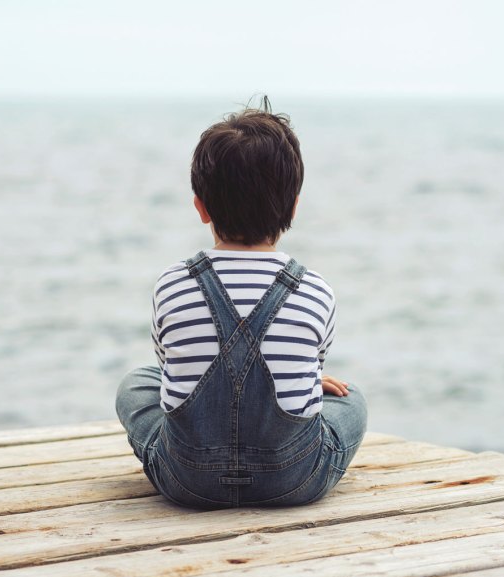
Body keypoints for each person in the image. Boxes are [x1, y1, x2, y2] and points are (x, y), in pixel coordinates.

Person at [115, 98, 367, 509]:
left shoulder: (172, 283)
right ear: (293, 207)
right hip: (294, 480)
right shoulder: (315, 288)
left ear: (200, 207)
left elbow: (171, 371)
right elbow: (314, 362)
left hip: (188, 480)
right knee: (352, 399)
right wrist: (303, 380)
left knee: (136, 383)